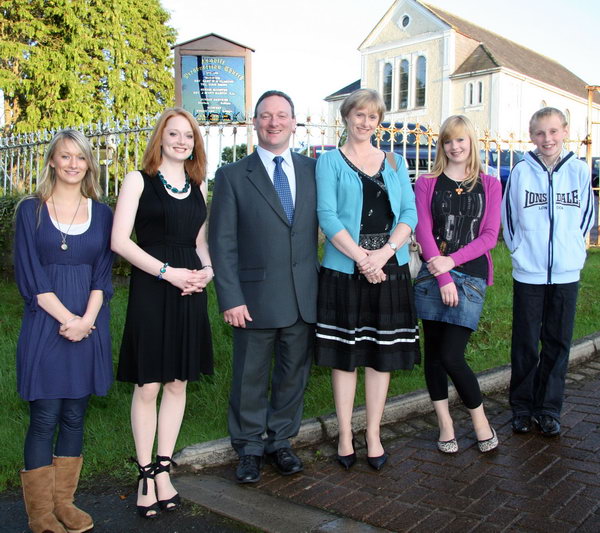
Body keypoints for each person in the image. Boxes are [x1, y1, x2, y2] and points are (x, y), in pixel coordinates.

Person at [209, 90, 318, 484]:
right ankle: (250, 448)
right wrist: (231, 297)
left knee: (293, 376)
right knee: (249, 378)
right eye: (266, 115)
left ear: (293, 122)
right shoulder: (233, 176)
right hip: (252, 300)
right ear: (255, 122)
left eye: (282, 115)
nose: (274, 122)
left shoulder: (313, 170)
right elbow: (221, 242)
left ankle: (282, 442)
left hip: (304, 297)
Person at [112, 108, 213, 518]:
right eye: (173, 133)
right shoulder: (139, 180)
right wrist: (169, 273)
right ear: (160, 137)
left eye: (187, 135)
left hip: (190, 290)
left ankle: (165, 469)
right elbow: (120, 241)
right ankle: (145, 473)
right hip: (154, 287)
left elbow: (201, 242)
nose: (181, 141)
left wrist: (206, 272)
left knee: (176, 382)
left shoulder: (198, 185)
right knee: (149, 385)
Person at [14, 129, 113, 533]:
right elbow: (30, 276)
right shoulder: (30, 211)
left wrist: (86, 320)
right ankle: (40, 514)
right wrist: (66, 320)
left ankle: (64, 504)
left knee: (74, 415)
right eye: (65, 156)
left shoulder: (102, 213)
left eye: (81, 157)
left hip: (89, 326)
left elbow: (103, 275)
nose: (73, 164)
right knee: (45, 415)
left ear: (89, 164)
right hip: (46, 323)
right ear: (52, 160)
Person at [315, 88, 420, 471]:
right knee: (346, 356)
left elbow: (410, 212)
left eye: (372, 116)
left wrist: (385, 254)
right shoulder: (329, 162)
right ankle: (345, 433)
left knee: (381, 355)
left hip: (388, 267)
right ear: (346, 117)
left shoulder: (394, 161)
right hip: (345, 268)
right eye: (358, 115)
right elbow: (327, 215)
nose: (364, 122)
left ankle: (372, 432)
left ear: (379, 121)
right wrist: (362, 258)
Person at [502, 107, 595, 437]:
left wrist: (574, 248)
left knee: (558, 342)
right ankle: (523, 407)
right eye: (541, 133)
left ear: (564, 132)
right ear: (532, 136)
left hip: (566, 273)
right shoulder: (521, 172)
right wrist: (519, 251)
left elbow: (586, 214)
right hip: (529, 272)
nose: (548, 139)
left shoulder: (579, 171)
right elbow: (509, 216)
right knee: (526, 342)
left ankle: (549, 408)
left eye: (554, 132)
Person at [414, 115, 501, 454]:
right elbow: (423, 231)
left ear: (471, 143)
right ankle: (445, 424)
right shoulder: (427, 183)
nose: (455, 146)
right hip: (434, 275)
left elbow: (490, 236)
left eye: (461, 140)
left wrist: (452, 264)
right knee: (434, 355)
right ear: (442, 146)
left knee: (452, 355)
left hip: (471, 276)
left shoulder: (490, 184)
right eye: (448, 141)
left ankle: (480, 421)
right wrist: (443, 274)